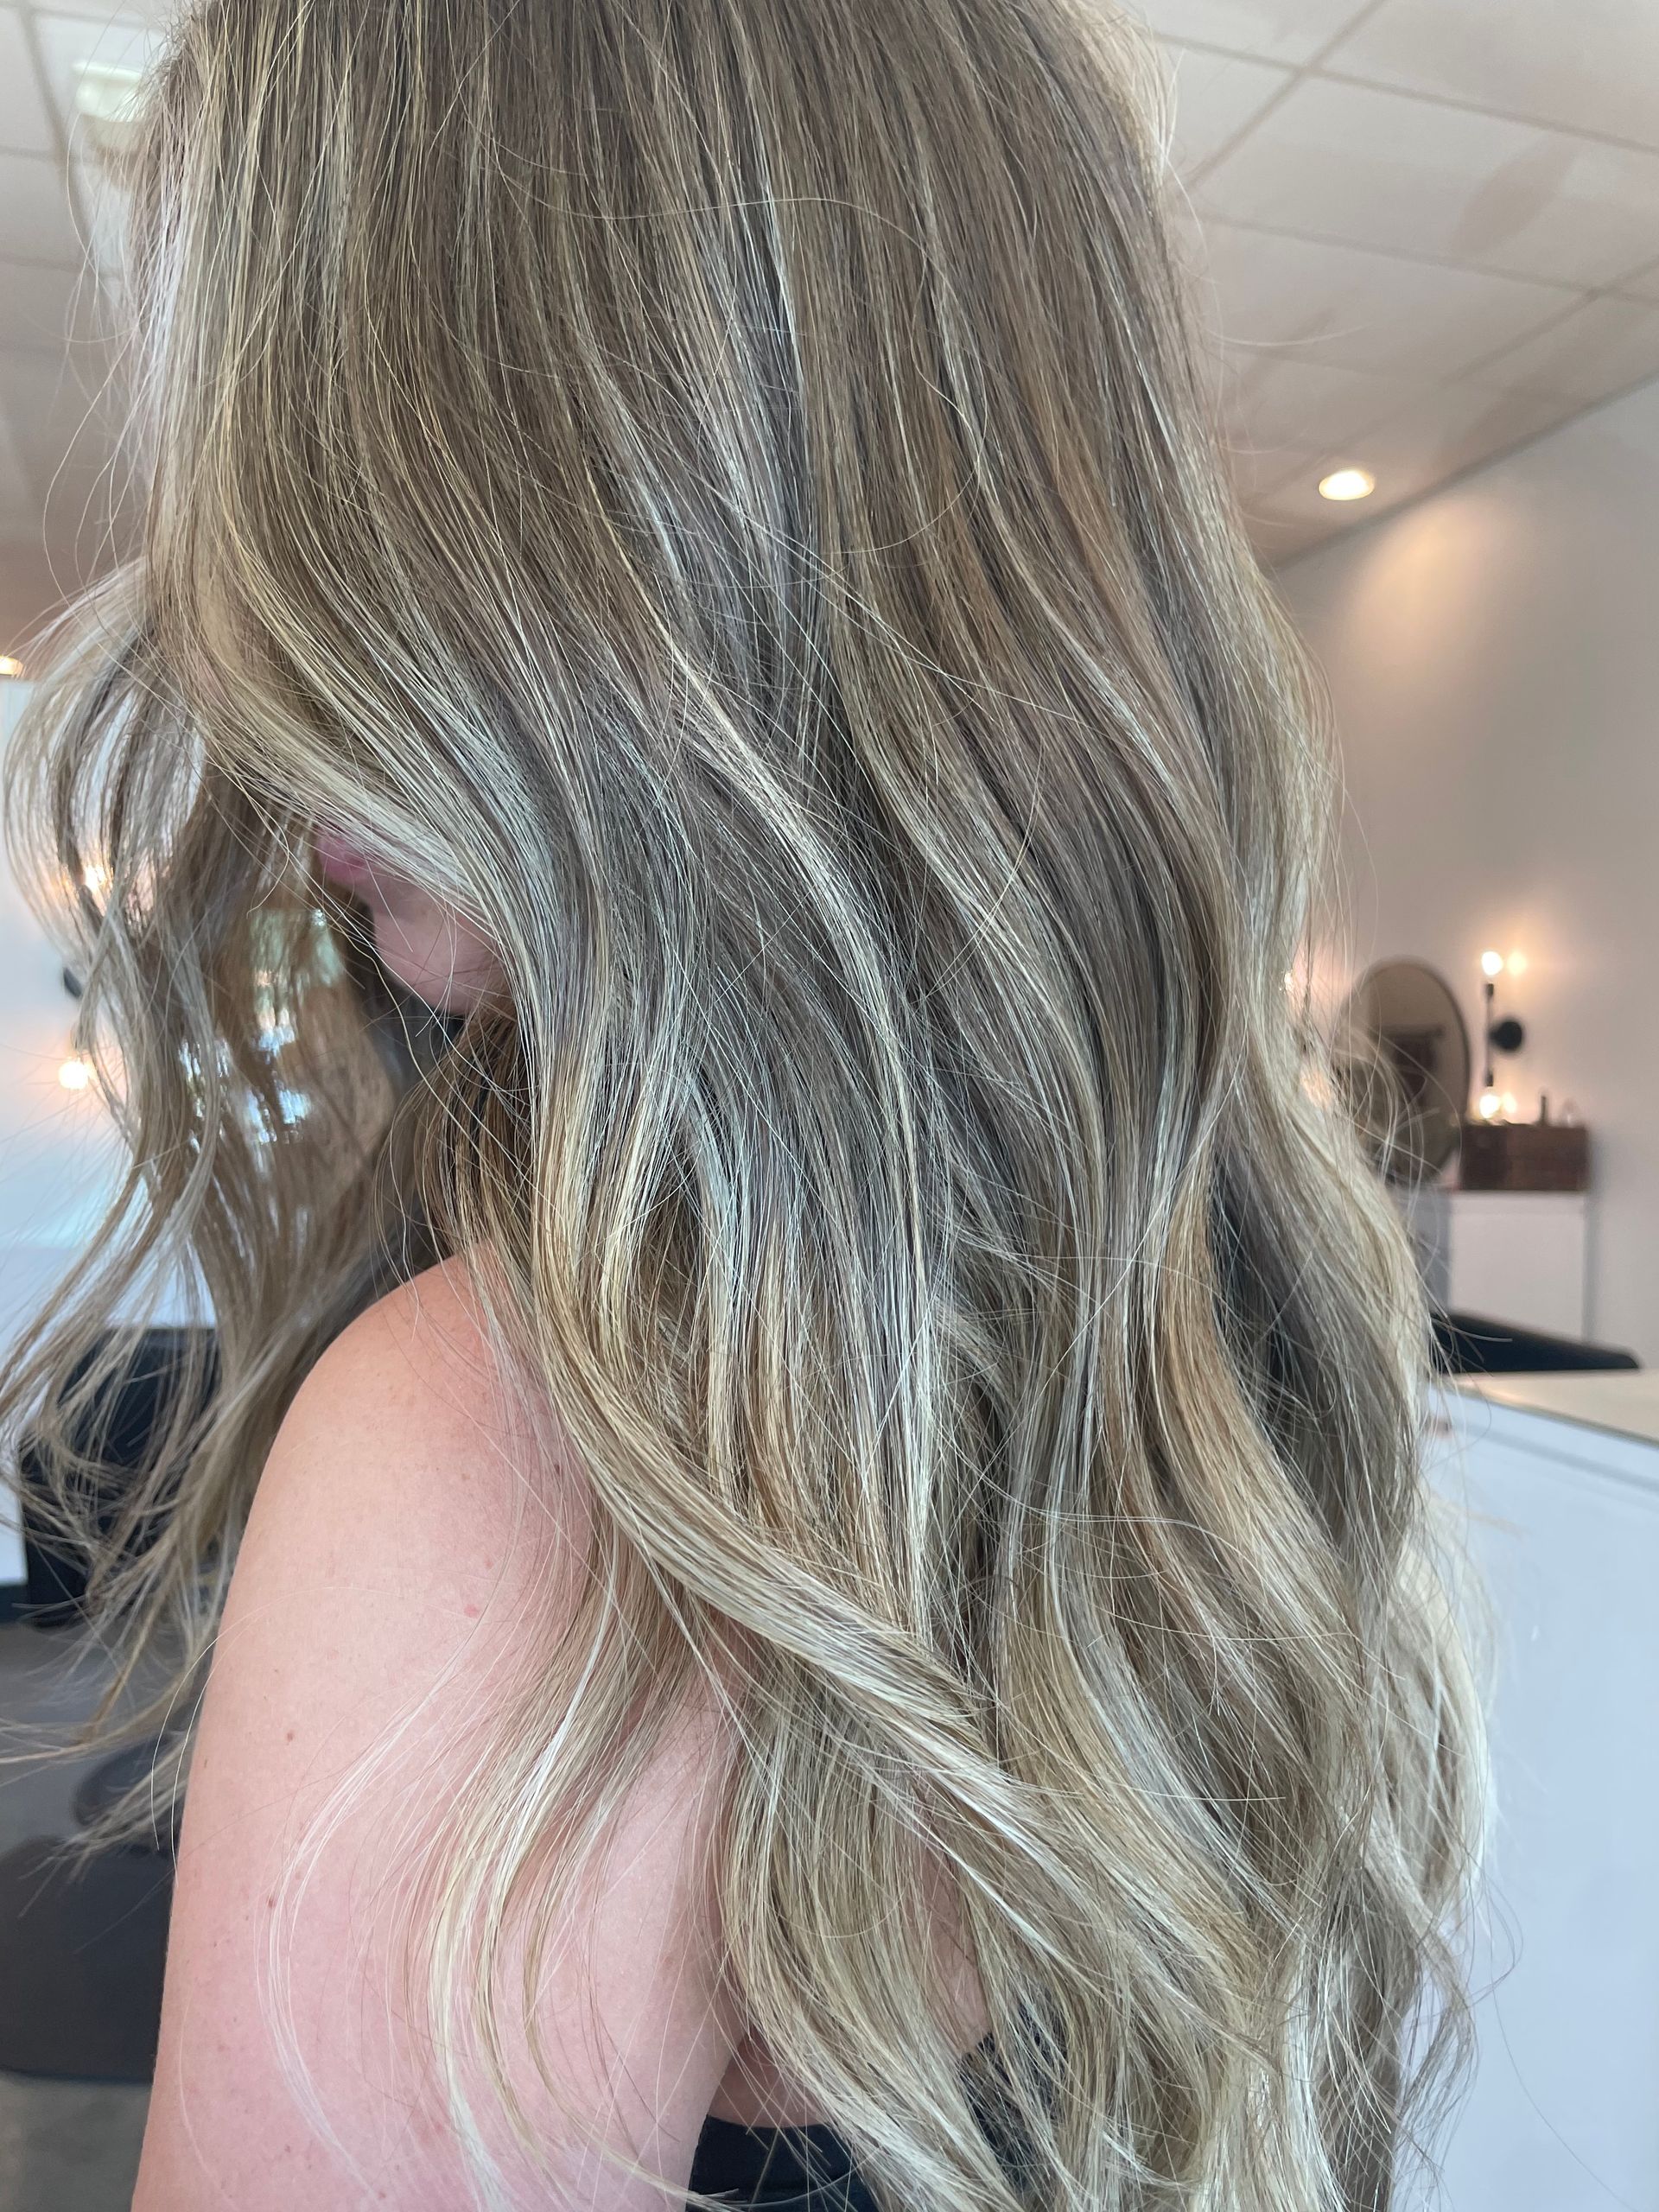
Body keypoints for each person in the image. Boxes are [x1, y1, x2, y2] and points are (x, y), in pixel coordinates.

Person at [0, 0, 1484, 2205]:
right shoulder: (1205, 1357)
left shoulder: (494, 1460)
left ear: (650, 531)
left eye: (334, 508)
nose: (240, 673)